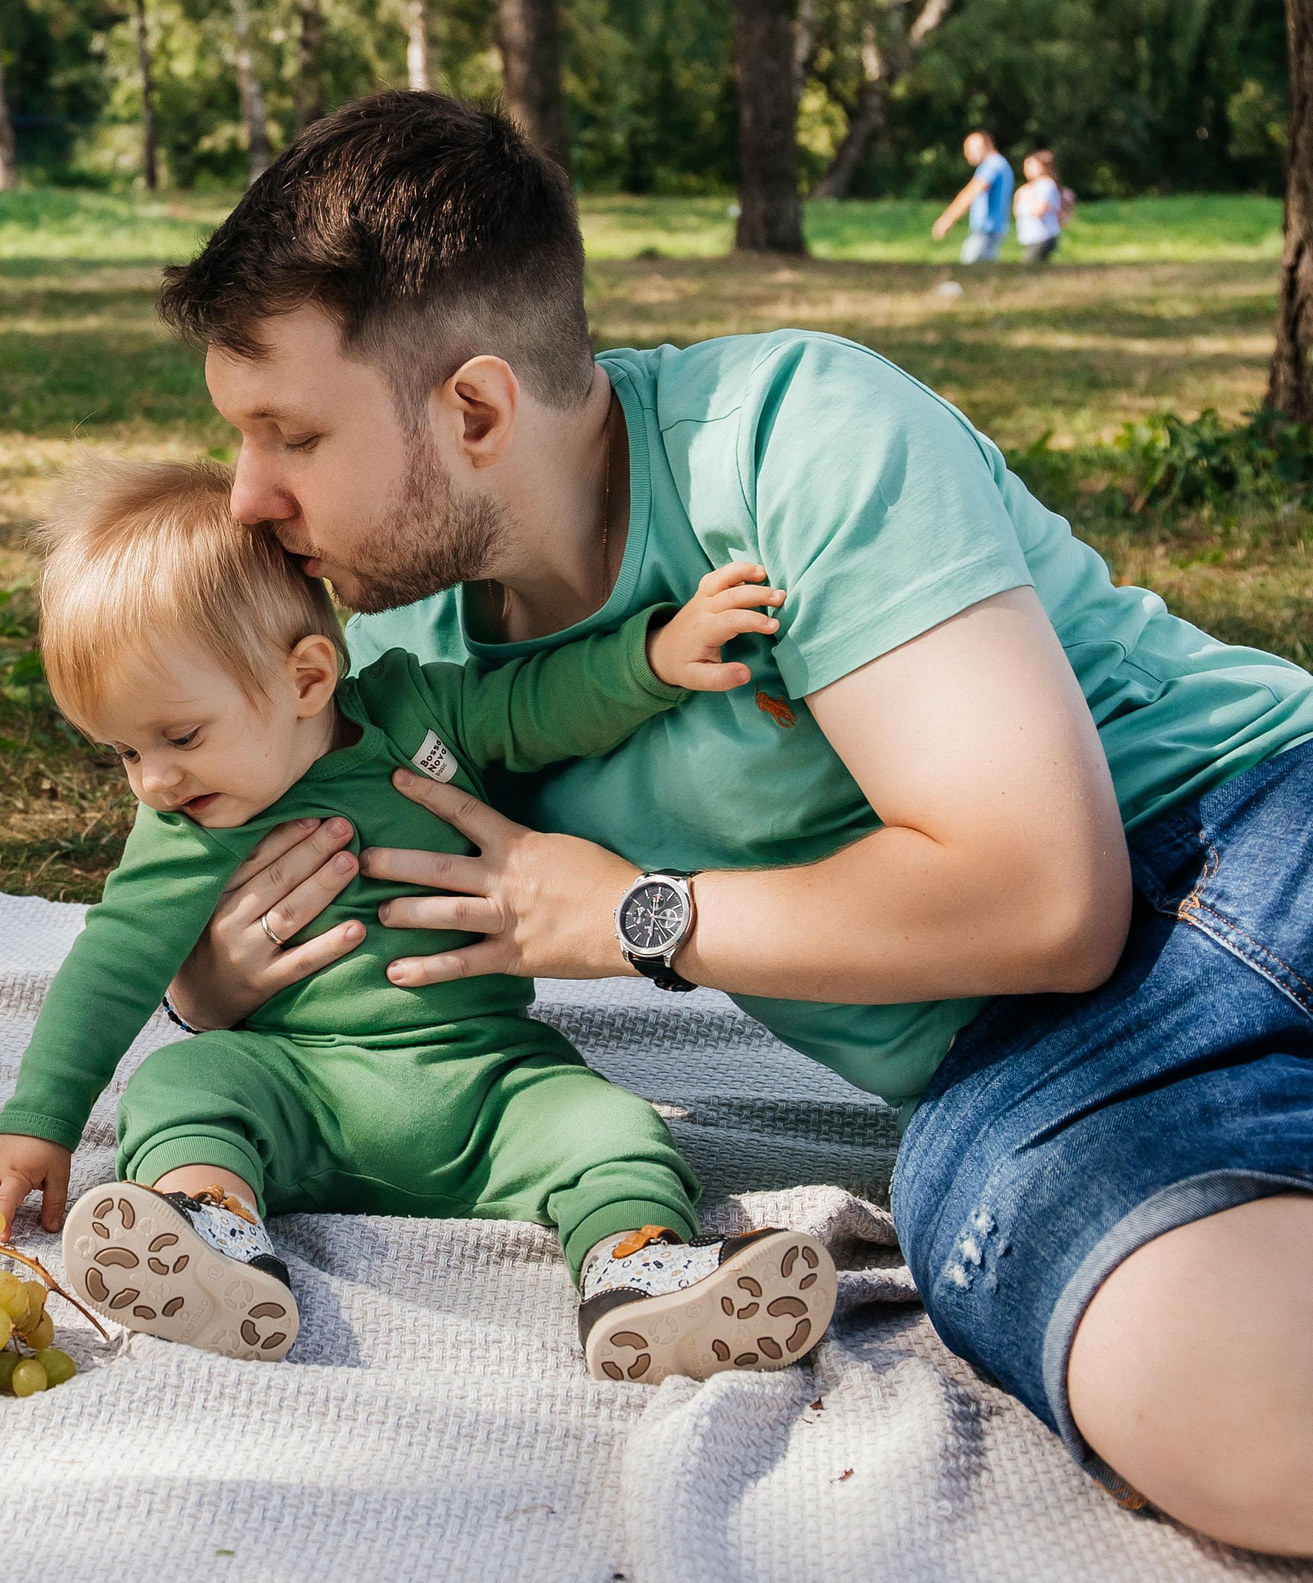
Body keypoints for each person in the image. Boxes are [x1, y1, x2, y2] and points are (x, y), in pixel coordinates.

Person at [149, 91, 1313, 1555]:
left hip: (1262, 829)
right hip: (1027, 1064)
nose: (247, 495)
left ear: (478, 410)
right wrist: (221, 972)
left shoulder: (790, 436)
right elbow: (229, 935)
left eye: (288, 432)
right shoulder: (403, 666)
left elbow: (1047, 894)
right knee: (1250, 1425)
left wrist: (636, 912)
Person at [0, 458, 838, 1379]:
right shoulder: (185, 825)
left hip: (487, 1083)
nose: (155, 781)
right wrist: (39, 1122)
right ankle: (208, 1231)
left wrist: (650, 659)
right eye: (124, 751)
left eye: (179, 736)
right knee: (185, 1082)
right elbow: (113, 963)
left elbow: (539, 705)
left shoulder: (421, 712)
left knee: (609, 1126)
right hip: (299, 1089)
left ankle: (636, 1273)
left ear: (307, 678)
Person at [931, 130, 1014, 262]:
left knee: (970, 270)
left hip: (987, 230)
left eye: (971, 149)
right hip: (995, 228)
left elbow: (971, 192)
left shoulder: (992, 165)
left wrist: (947, 219)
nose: (967, 154)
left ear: (987, 145)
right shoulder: (1000, 164)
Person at [1013, 151, 1068, 263]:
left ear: (1043, 166)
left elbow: (1040, 210)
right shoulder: (1030, 187)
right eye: (1026, 166)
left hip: (1042, 236)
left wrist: (1029, 196)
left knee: (1030, 268)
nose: (1027, 169)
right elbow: (1017, 213)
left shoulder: (1046, 185)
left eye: (1032, 165)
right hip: (1029, 236)